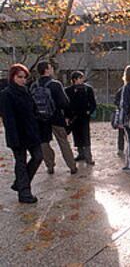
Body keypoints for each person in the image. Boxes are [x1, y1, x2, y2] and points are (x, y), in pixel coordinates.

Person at [0, 64, 43, 203]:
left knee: (38, 157)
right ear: (12, 77)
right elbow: (8, 119)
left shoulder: (26, 91)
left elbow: (33, 111)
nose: (23, 80)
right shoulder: (6, 94)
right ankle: (24, 193)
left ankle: (20, 184)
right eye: (20, 77)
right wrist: (14, 138)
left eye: (24, 77)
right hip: (17, 134)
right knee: (21, 163)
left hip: (31, 132)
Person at [34, 61, 77, 175]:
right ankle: (72, 166)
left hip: (40, 119)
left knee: (44, 143)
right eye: (51, 68)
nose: (52, 69)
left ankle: (50, 166)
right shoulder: (55, 84)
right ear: (47, 70)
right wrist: (68, 116)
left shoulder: (34, 85)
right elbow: (64, 102)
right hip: (56, 117)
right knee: (63, 142)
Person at [65, 71, 96, 165]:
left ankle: (88, 157)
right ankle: (81, 154)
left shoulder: (88, 89)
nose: (82, 80)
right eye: (80, 78)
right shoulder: (68, 90)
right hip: (73, 117)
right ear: (75, 79)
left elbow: (93, 103)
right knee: (77, 136)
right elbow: (66, 104)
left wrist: (89, 111)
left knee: (85, 136)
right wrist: (67, 116)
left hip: (84, 117)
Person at [114, 86, 125, 157]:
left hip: (122, 114)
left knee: (121, 133)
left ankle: (120, 149)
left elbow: (116, 101)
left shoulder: (121, 89)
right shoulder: (122, 89)